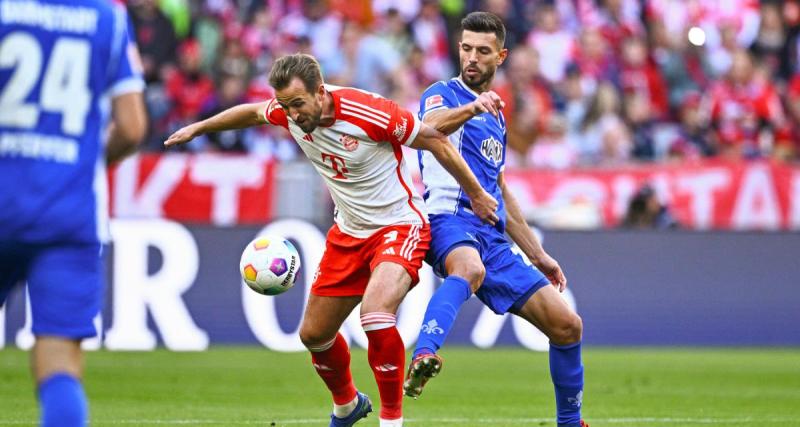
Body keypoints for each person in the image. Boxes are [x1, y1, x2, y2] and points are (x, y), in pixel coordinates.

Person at [164, 53, 497, 427]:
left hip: (399, 225)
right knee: (314, 334)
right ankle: (347, 405)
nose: (291, 115)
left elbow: (435, 138)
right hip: (350, 232)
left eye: (297, 104)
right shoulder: (288, 112)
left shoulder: (369, 112)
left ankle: (392, 421)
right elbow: (253, 112)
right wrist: (199, 128)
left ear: (320, 92)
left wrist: (477, 194)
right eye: (286, 106)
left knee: (375, 315)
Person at [404, 12, 588, 427]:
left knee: (566, 325)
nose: (471, 57)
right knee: (468, 268)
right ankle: (424, 353)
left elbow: (500, 191)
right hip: (447, 220)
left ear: (500, 56)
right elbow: (426, 128)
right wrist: (470, 107)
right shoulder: (442, 93)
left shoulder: (498, 118)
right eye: (466, 48)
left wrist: (538, 254)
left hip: (492, 237)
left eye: (482, 51)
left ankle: (570, 423)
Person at [0, 0, 148, 426]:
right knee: (60, 359)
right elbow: (133, 126)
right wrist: (83, 162)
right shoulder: (107, 18)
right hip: (69, 213)